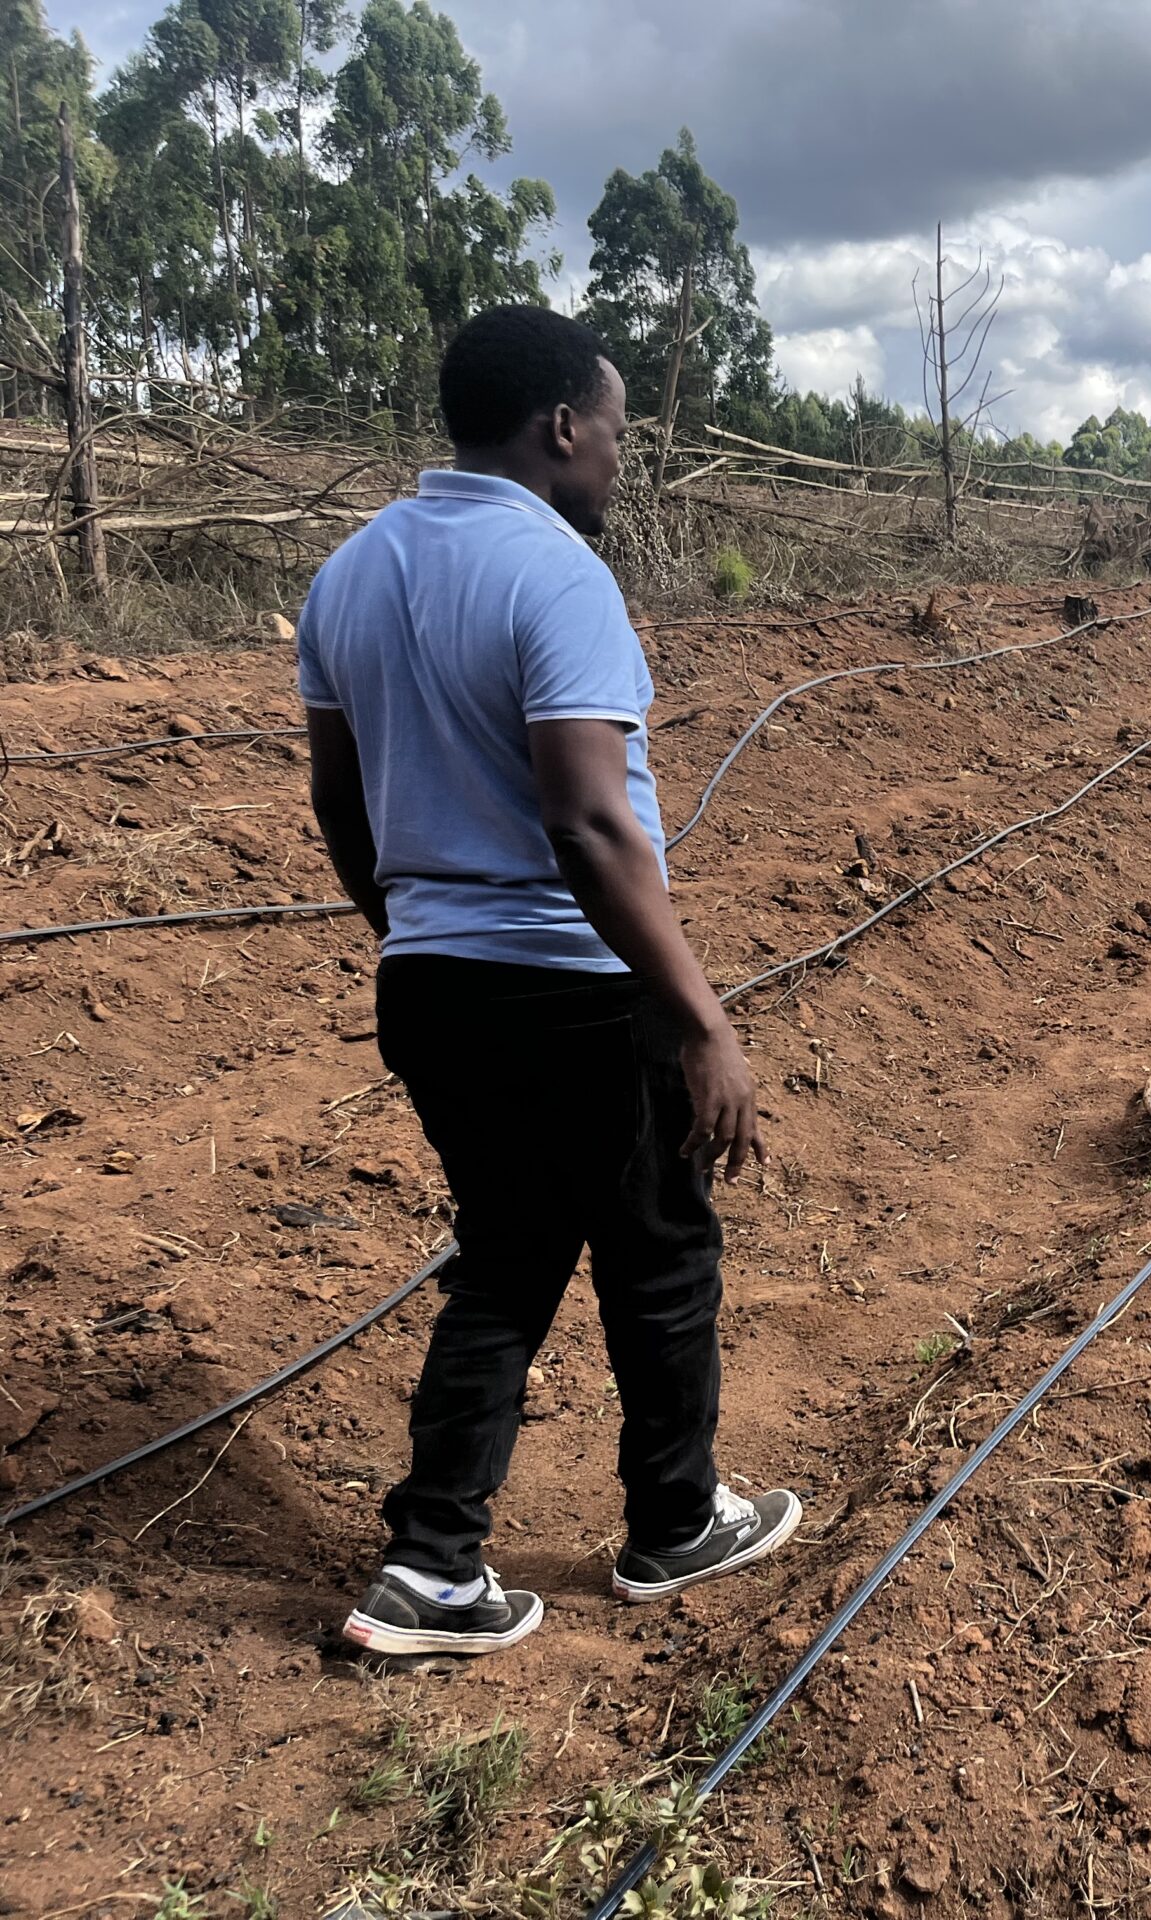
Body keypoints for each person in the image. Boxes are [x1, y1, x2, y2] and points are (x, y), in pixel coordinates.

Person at [304, 305, 800, 1657]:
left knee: (509, 1255)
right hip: (575, 988)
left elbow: (341, 801)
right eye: (620, 431)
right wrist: (700, 1018)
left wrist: (411, 928)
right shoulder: (558, 576)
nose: (622, 458)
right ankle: (674, 1523)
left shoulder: (350, 574)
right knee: (661, 1252)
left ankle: (432, 1568)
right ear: (564, 425)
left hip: (433, 985)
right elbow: (588, 823)